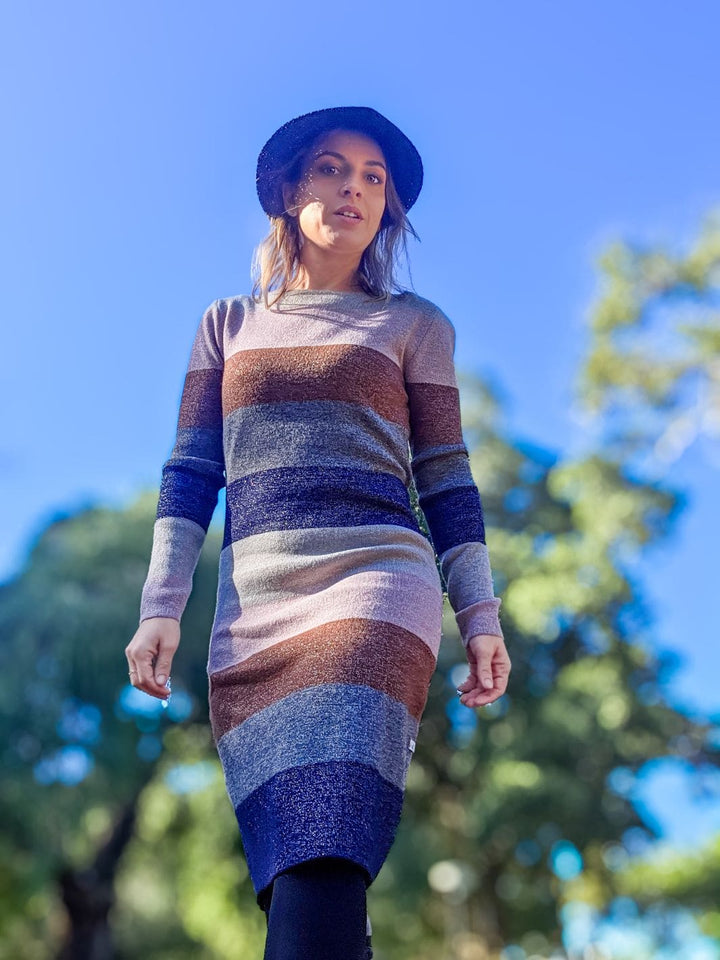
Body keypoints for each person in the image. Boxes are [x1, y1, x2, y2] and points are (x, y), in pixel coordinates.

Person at [125, 105, 512, 959]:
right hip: (255, 613)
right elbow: (191, 471)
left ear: (387, 209)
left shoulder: (415, 325)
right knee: (289, 862)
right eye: (332, 169)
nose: (353, 189)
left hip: (375, 582)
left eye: (374, 178)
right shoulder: (226, 325)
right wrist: (161, 606)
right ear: (288, 190)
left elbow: (447, 479)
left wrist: (480, 617)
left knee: (326, 825)